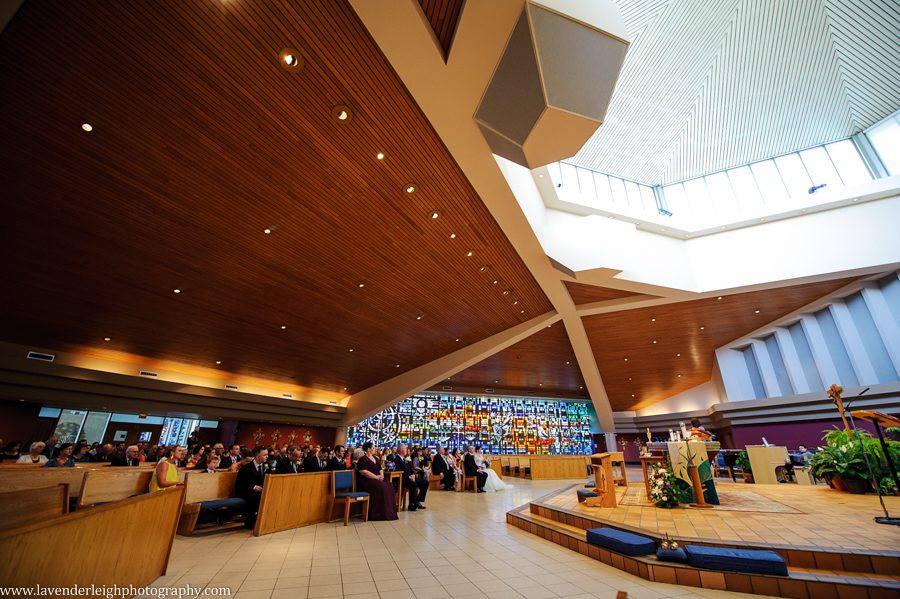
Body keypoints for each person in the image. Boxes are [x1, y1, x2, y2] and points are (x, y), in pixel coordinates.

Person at [355, 442, 398, 520]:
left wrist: (382, 476)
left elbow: (380, 469)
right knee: (381, 487)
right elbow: (363, 472)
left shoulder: (376, 458)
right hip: (367, 480)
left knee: (389, 485)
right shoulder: (362, 459)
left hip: (377, 478)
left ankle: (389, 512)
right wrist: (375, 477)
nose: (375, 449)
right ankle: (378, 513)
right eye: (373, 448)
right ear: (368, 449)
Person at [236, 446, 270, 529]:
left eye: (267, 454)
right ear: (258, 456)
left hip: (260, 490)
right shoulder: (246, 468)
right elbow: (241, 484)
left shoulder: (266, 465)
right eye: (264, 455)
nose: (267, 456)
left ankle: (266, 520)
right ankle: (252, 521)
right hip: (246, 491)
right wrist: (254, 487)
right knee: (257, 497)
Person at [391, 445, 427, 511]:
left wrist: (413, 474)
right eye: (405, 448)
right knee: (413, 484)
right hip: (402, 479)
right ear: (401, 450)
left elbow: (409, 469)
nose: (406, 450)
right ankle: (412, 505)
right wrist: (410, 476)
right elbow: (399, 472)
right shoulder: (397, 460)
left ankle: (417, 501)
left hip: (409, 477)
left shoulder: (404, 459)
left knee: (425, 482)